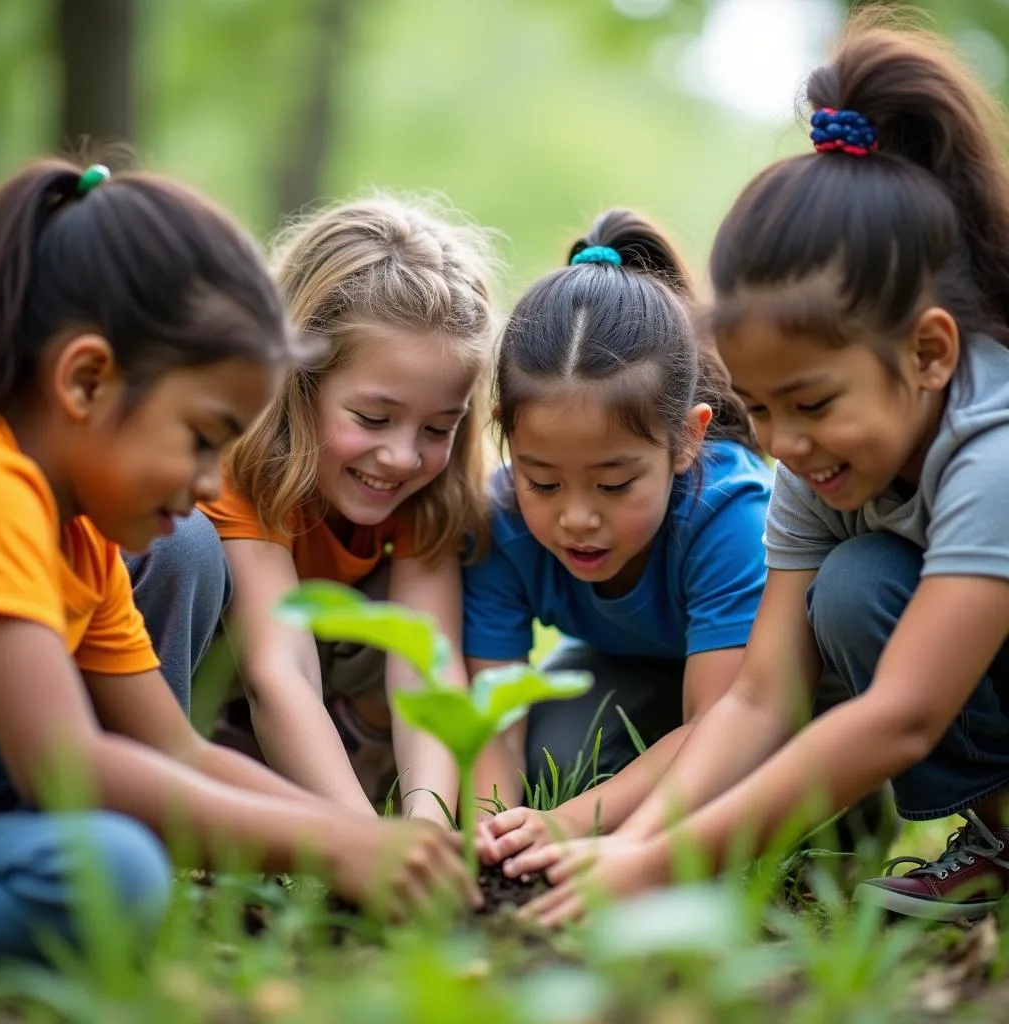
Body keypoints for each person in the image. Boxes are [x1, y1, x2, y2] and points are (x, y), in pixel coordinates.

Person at [521, 13, 1009, 927]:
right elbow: (760, 694)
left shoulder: (996, 453)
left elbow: (905, 714)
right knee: (856, 586)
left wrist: (662, 864)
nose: (782, 443)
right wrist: (622, 843)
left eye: (814, 403)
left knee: (860, 587)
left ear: (931, 353)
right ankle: (999, 842)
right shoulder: (814, 464)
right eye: (765, 405)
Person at [0, 160, 477, 965]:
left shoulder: (87, 544)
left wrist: (359, 838)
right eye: (203, 437)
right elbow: (67, 765)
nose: (214, 481)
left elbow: (175, 751)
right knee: (118, 874)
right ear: (85, 381)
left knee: (118, 869)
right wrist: (334, 847)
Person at [463, 209, 773, 856]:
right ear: (507, 433)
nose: (577, 517)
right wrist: (494, 828)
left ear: (687, 439)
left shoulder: (729, 514)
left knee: (759, 792)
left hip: (761, 697)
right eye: (543, 481)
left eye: (614, 484)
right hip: (634, 673)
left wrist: (572, 822)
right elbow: (496, 719)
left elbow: (721, 722)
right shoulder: (501, 524)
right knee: (553, 755)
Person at [201, 196, 495, 823]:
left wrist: (430, 825)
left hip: (333, 695)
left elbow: (428, 670)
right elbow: (278, 669)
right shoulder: (239, 466)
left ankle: (352, 767)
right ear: (297, 381)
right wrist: (363, 843)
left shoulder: (426, 492)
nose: (401, 457)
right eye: (372, 419)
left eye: (439, 428)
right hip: (230, 675)